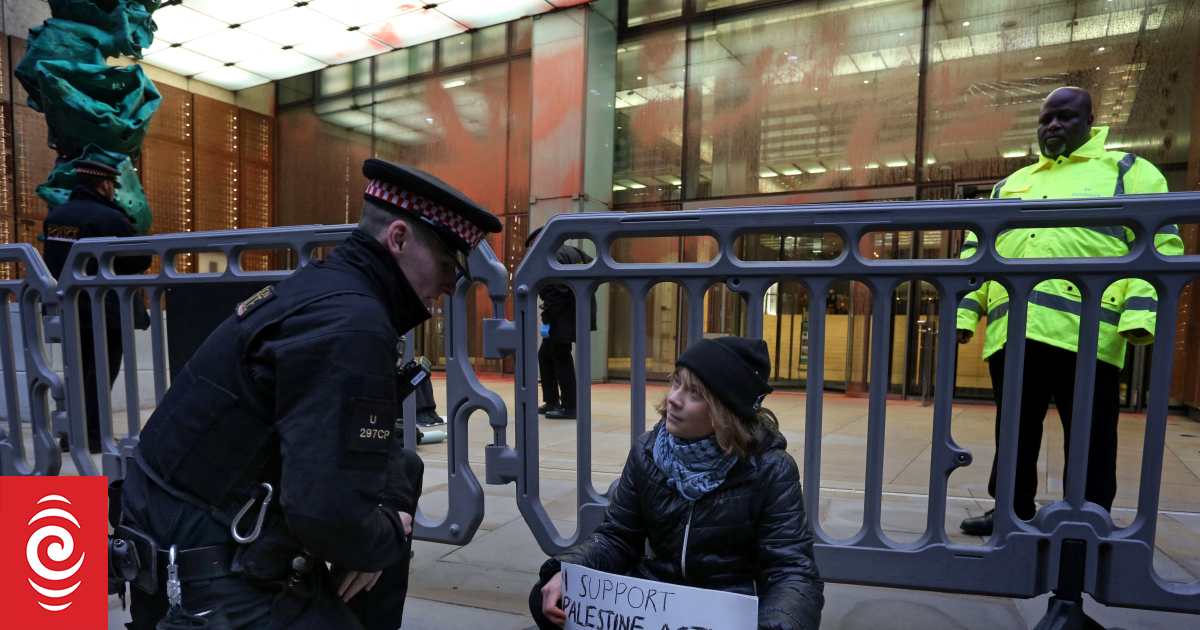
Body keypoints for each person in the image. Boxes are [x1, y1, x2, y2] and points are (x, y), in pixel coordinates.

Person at [115, 158, 501, 629]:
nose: (450, 284)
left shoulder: (329, 294)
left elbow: (375, 450)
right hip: (209, 581)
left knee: (399, 486)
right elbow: (324, 512)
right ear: (397, 239)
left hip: (180, 538)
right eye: (445, 264)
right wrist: (381, 539)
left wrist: (385, 521)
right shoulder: (350, 325)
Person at [956, 87, 1183, 536]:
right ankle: (1009, 510)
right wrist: (966, 314)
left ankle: (1088, 514)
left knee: (1092, 434)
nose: (1053, 125)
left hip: (1088, 332)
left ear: (1090, 121)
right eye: (1045, 119)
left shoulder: (1128, 171)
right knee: (1015, 430)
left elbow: (1159, 245)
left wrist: (1138, 316)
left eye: (1064, 117)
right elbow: (976, 253)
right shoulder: (1011, 184)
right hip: (1015, 330)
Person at [529, 337, 824, 630]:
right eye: (676, 383)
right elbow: (617, 537)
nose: (673, 398)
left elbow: (792, 573)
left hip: (727, 609)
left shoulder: (770, 469)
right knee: (548, 596)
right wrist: (569, 572)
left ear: (726, 411)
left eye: (694, 392)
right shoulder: (648, 451)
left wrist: (774, 625)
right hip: (655, 604)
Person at [41, 159, 151, 454]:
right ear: (105, 185)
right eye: (113, 186)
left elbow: (55, 258)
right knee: (100, 374)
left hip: (70, 306)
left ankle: (72, 434)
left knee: (76, 372)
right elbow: (140, 259)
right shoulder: (109, 217)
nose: (114, 191)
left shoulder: (58, 217)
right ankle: (92, 436)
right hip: (106, 309)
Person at [528, 226, 597, 420]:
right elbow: (595, 270)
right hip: (578, 313)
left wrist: (547, 319)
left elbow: (557, 289)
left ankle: (570, 405)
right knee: (546, 355)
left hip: (563, 317)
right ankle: (552, 400)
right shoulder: (574, 252)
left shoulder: (553, 255)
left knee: (561, 357)